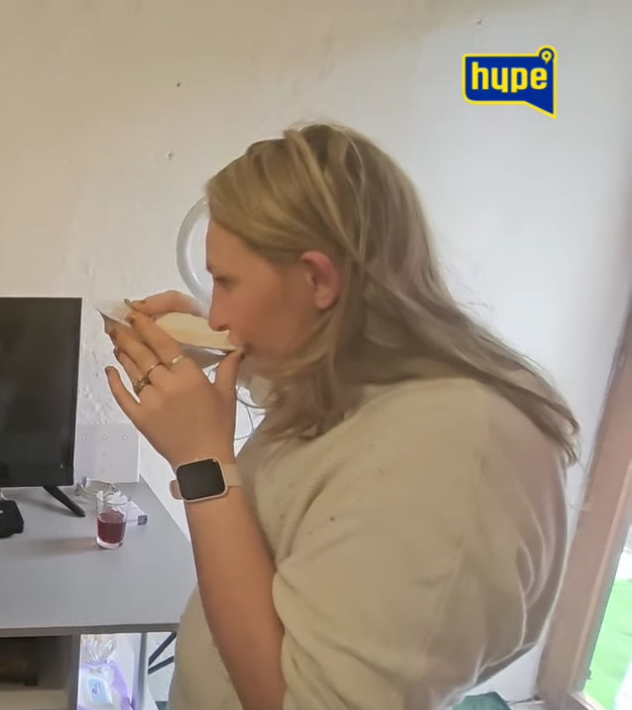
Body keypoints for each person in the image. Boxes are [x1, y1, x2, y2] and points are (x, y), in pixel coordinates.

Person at [104, 123, 576, 710]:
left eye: (226, 282)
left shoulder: (452, 457)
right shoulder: (372, 382)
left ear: (319, 279)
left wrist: (203, 463)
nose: (217, 313)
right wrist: (216, 340)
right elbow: (333, 432)